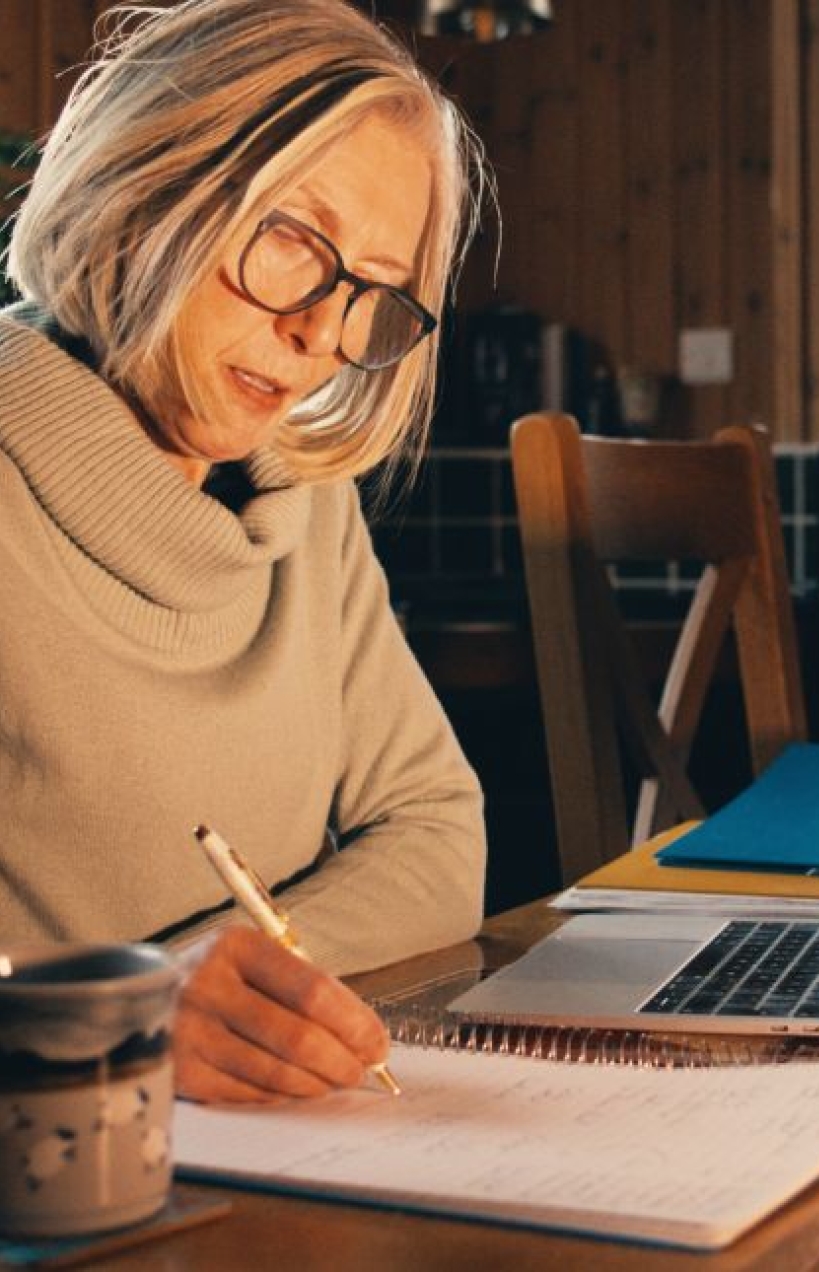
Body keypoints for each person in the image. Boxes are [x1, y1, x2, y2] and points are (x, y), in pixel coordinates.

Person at [0, 0, 489, 1103]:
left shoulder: (305, 503)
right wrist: (129, 1011)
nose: (323, 334)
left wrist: (233, 984)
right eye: (294, 242)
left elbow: (436, 832)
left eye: (371, 291)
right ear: (147, 184)